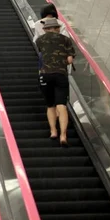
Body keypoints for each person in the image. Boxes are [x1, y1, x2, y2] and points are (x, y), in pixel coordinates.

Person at [37, 18, 75, 147]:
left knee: (50, 105)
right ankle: (63, 135)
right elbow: (69, 60)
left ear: (45, 29)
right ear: (58, 28)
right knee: (61, 105)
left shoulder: (39, 40)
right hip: (60, 75)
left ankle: (53, 131)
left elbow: (42, 54)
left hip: (45, 75)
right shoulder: (66, 40)